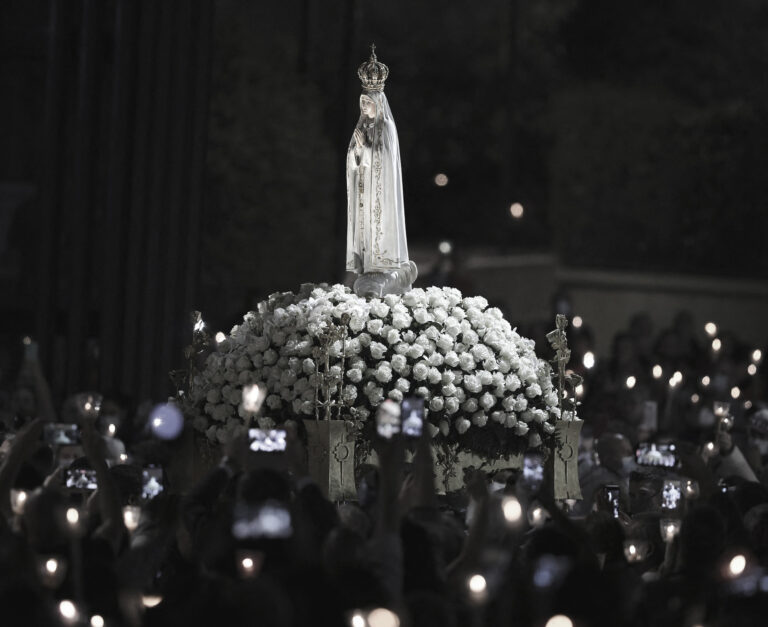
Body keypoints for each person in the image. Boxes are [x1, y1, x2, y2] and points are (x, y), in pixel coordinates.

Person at [346, 45, 417, 297]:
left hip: (380, 191)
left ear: (377, 101)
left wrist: (365, 149)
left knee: (379, 226)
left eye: (368, 103)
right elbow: (353, 161)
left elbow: (385, 159)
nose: (364, 108)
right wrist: (357, 152)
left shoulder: (386, 126)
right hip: (365, 191)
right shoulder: (362, 128)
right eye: (362, 103)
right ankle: (367, 267)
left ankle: (385, 269)